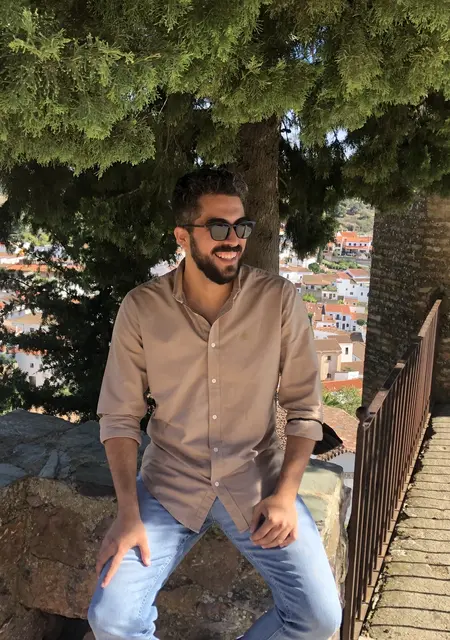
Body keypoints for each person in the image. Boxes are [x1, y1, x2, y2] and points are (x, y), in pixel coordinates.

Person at [88, 168, 342, 640]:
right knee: (111, 619)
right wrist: (127, 513)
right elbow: (120, 417)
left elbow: (305, 408)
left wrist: (286, 495)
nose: (233, 240)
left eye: (241, 226)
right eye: (219, 227)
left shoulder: (278, 301)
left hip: (257, 483)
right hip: (169, 485)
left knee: (320, 617)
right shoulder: (141, 308)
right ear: (183, 236)